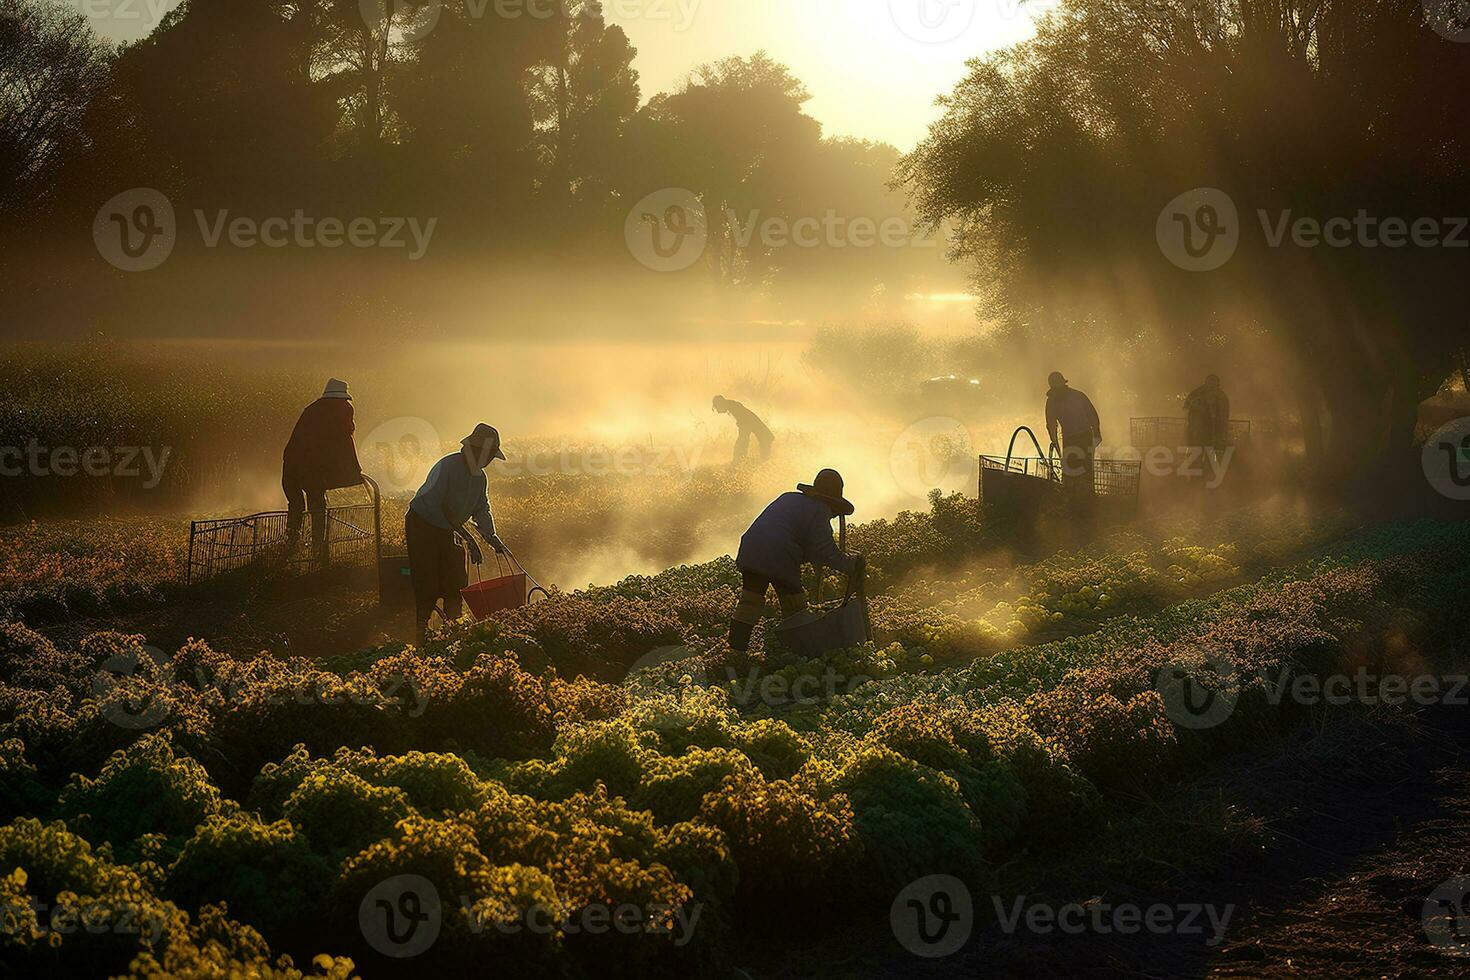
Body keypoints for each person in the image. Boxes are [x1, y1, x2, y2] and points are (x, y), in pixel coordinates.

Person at [729, 468, 860, 652]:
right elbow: (825, 550)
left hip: (752, 548)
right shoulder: (819, 509)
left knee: (750, 601)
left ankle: (736, 652)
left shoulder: (789, 497)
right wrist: (851, 565)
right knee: (795, 606)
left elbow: (799, 536)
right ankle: (798, 651)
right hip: (779, 554)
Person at [406, 423, 508, 643]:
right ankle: (420, 631)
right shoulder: (447, 467)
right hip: (423, 524)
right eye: (488, 455)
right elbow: (436, 506)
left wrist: (491, 536)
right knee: (428, 578)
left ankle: (454, 628)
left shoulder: (479, 478)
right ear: (475, 450)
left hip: (448, 528)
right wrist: (468, 537)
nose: (489, 461)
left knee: (456, 579)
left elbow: (481, 508)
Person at [282, 378, 362, 567]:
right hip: (311, 467)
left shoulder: (311, 409)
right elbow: (345, 439)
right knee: (318, 507)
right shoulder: (343, 408)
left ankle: (290, 549)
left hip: (290, 463)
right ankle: (318, 552)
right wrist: (353, 471)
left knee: (295, 506)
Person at [1045, 371, 1102, 498]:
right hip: (1070, 438)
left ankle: (1087, 498)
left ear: (1063, 383)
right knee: (1071, 471)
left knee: (1085, 469)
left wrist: (1097, 432)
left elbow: (1091, 414)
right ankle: (1074, 499)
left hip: (1084, 436)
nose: (1057, 387)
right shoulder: (1052, 402)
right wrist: (1055, 443)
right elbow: (1051, 424)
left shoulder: (1077, 396)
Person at [712, 395, 774, 463]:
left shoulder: (734, 407)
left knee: (764, 458)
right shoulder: (732, 406)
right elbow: (745, 425)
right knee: (742, 446)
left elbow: (745, 426)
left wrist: (741, 445)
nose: (718, 411)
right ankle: (740, 462)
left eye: (717, 407)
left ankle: (739, 463)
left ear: (721, 403)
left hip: (765, 436)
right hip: (764, 435)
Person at [1185, 374, 1232, 455]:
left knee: (1207, 448)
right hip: (1200, 427)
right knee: (1199, 447)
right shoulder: (1198, 393)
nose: (1211, 384)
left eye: (1213, 382)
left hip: (1211, 427)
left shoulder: (1220, 395)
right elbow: (1187, 406)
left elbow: (1224, 413)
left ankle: (1204, 463)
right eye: (1210, 381)